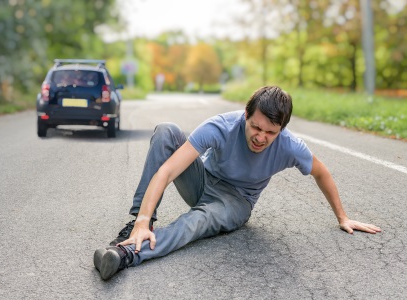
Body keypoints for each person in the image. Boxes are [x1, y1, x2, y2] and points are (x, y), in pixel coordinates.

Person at [93, 86, 381, 281]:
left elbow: (321, 172)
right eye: (256, 127)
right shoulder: (220, 126)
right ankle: (138, 228)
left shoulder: (291, 147)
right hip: (202, 181)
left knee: (195, 222)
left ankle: (125, 254)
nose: (261, 137)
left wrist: (342, 217)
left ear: (281, 129)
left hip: (234, 202)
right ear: (245, 115)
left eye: (270, 132)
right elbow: (168, 171)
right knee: (167, 131)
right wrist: (144, 219)